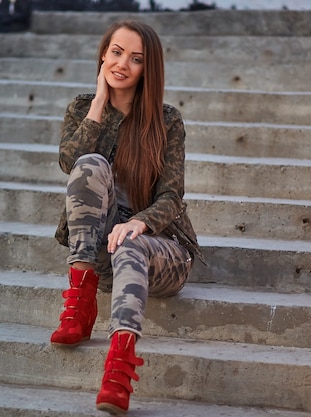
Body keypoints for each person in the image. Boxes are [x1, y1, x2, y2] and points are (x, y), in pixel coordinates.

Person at [51, 19, 205, 415]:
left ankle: (119, 369)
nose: (123, 64)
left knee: (130, 245)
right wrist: (100, 103)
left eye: (136, 59)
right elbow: (68, 162)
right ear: (104, 53)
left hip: (162, 249)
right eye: (116, 52)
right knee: (88, 163)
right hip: (101, 246)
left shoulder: (166, 120)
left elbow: (173, 196)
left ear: (147, 70)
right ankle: (81, 302)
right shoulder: (84, 108)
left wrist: (141, 222)